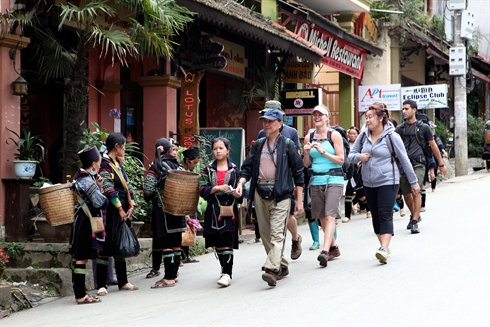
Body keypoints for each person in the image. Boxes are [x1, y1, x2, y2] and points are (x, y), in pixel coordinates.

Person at [237, 109, 304, 287]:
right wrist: (241, 182)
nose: (266, 124)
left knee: (276, 234)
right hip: (260, 192)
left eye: (271, 121)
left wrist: (299, 200)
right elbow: (246, 168)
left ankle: (271, 269)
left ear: (280, 124)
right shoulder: (258, 145)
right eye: (264, 121)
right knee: (266, 234)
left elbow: (298, 174)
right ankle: (281, 265)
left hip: (281, 193)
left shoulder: (288, 145)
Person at [349, 103, 419, 264]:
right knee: (375, 216)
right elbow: (350, 155)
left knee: (385, 214)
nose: (367, 120)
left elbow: (404, 159)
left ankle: (383, 248)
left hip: (389, 180)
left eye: (370, 117)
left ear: (381, 118)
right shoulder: (363, 136)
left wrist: (414, 183)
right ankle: (384, 247)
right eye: (366, 117)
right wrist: (360, 157)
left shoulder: (392, 136)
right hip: (369, 182)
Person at [257, 100, 302, 260]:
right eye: (265, 116)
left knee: (287, 216)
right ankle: (277, 260)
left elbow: (296, 161)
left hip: (285, 183)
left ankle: (295, 238)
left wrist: (298, 197)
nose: (267, 121)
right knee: (271, 224)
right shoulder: (262, 134)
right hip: (266, 185)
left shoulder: (291, 133)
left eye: (271, 115)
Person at [395, 100, 447, 234]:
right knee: (406, 194)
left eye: (406, 109)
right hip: (404, 165)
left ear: (414, 110)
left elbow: (433, 145)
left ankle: (413, 221)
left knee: (416, 190)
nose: (404, 111)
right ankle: (415, 215)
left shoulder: (424, 127)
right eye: (403, 109)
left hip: (419, 163)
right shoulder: (400, 129)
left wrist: (441, 164)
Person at [97, 133, 138, 296]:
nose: (125, 150)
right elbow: (108, 189)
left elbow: (127, 185)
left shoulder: (117, 164)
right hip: (111, 210)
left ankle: (123, 282)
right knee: (106, 245)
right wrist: (120, 208)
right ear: (117, 147)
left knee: (120, 244)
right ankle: (101, 284)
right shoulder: (105, 165)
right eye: (124, 146)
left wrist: (132, 205)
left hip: (123, 209)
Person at [303, 105, 344, 267]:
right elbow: (306, 165)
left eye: (321, 114)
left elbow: (341, 160)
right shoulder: (309, 136)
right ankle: (334, 248)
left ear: (327, 117)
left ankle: (325, 251)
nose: (317, 117)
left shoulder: (334, 135)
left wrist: (324, 152)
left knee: (329, 215)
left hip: (334, 178)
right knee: (320, 216)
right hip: (316, 179)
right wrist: (306, 152)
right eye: (315, 115)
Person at [143, 138, 186, 288]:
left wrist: (149, 196)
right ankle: (173, 276)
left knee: (166, 244)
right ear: (170, 150)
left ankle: (168, 278)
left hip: (163, 210)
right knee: (176, 244)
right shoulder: (179, 167)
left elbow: (148, 190)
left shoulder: (157, 167)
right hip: (179, 209)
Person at [199, 137, 242, 287]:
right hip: (213, 210)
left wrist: (238, 193)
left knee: (227, 239)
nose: (218, 151)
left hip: (229, 209)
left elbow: (242, 189)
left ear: (228, 150)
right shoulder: (208, 169)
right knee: (218, 242)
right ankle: (223, 269)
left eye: (221, 148)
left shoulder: (235, 170)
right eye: (215, 148)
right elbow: (201, 188)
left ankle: (227, 273)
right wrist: (216, 188)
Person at [69, 146, 107, 304]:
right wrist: (101, 191)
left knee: (80, 257)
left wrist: (98, 186)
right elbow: (100, 202)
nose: (99, 165)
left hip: (81, 221)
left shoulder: (82, 178)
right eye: (98, 162)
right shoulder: (86, 180)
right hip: (85, 224)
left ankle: (81, 293)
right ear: (92, 164)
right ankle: (81, 295)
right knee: (82, 258)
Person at [342, 126, 370, 223]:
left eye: (354, 134)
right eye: (351, 133)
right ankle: (347, 216)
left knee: (361, 195)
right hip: (349, 171)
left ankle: (369, 210)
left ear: (358, 135)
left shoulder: (361, 144)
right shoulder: (345, 144)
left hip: (359, 172)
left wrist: (359, 162)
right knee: (348, 193)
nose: (352, 135)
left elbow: (365, 155)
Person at [181, 146, 201, 264]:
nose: (195, 165)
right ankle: (181, 256)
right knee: (182, 230)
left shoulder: (193, 173)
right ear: (188, 160)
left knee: (190, 229)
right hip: (183, 204)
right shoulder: (181, 172)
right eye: (194, 162)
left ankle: (186, 255)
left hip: (192, 204)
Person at [427, 121, 448, 193]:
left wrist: (444, 152)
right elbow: (440, 144)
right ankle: (433, 188)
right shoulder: (434, 137)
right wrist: (444, 152)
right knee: (433, 172)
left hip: (428, 156)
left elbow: (440, 144)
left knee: (431, 171)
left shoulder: (426, 137)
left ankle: (426, 188)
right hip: (433, 156)